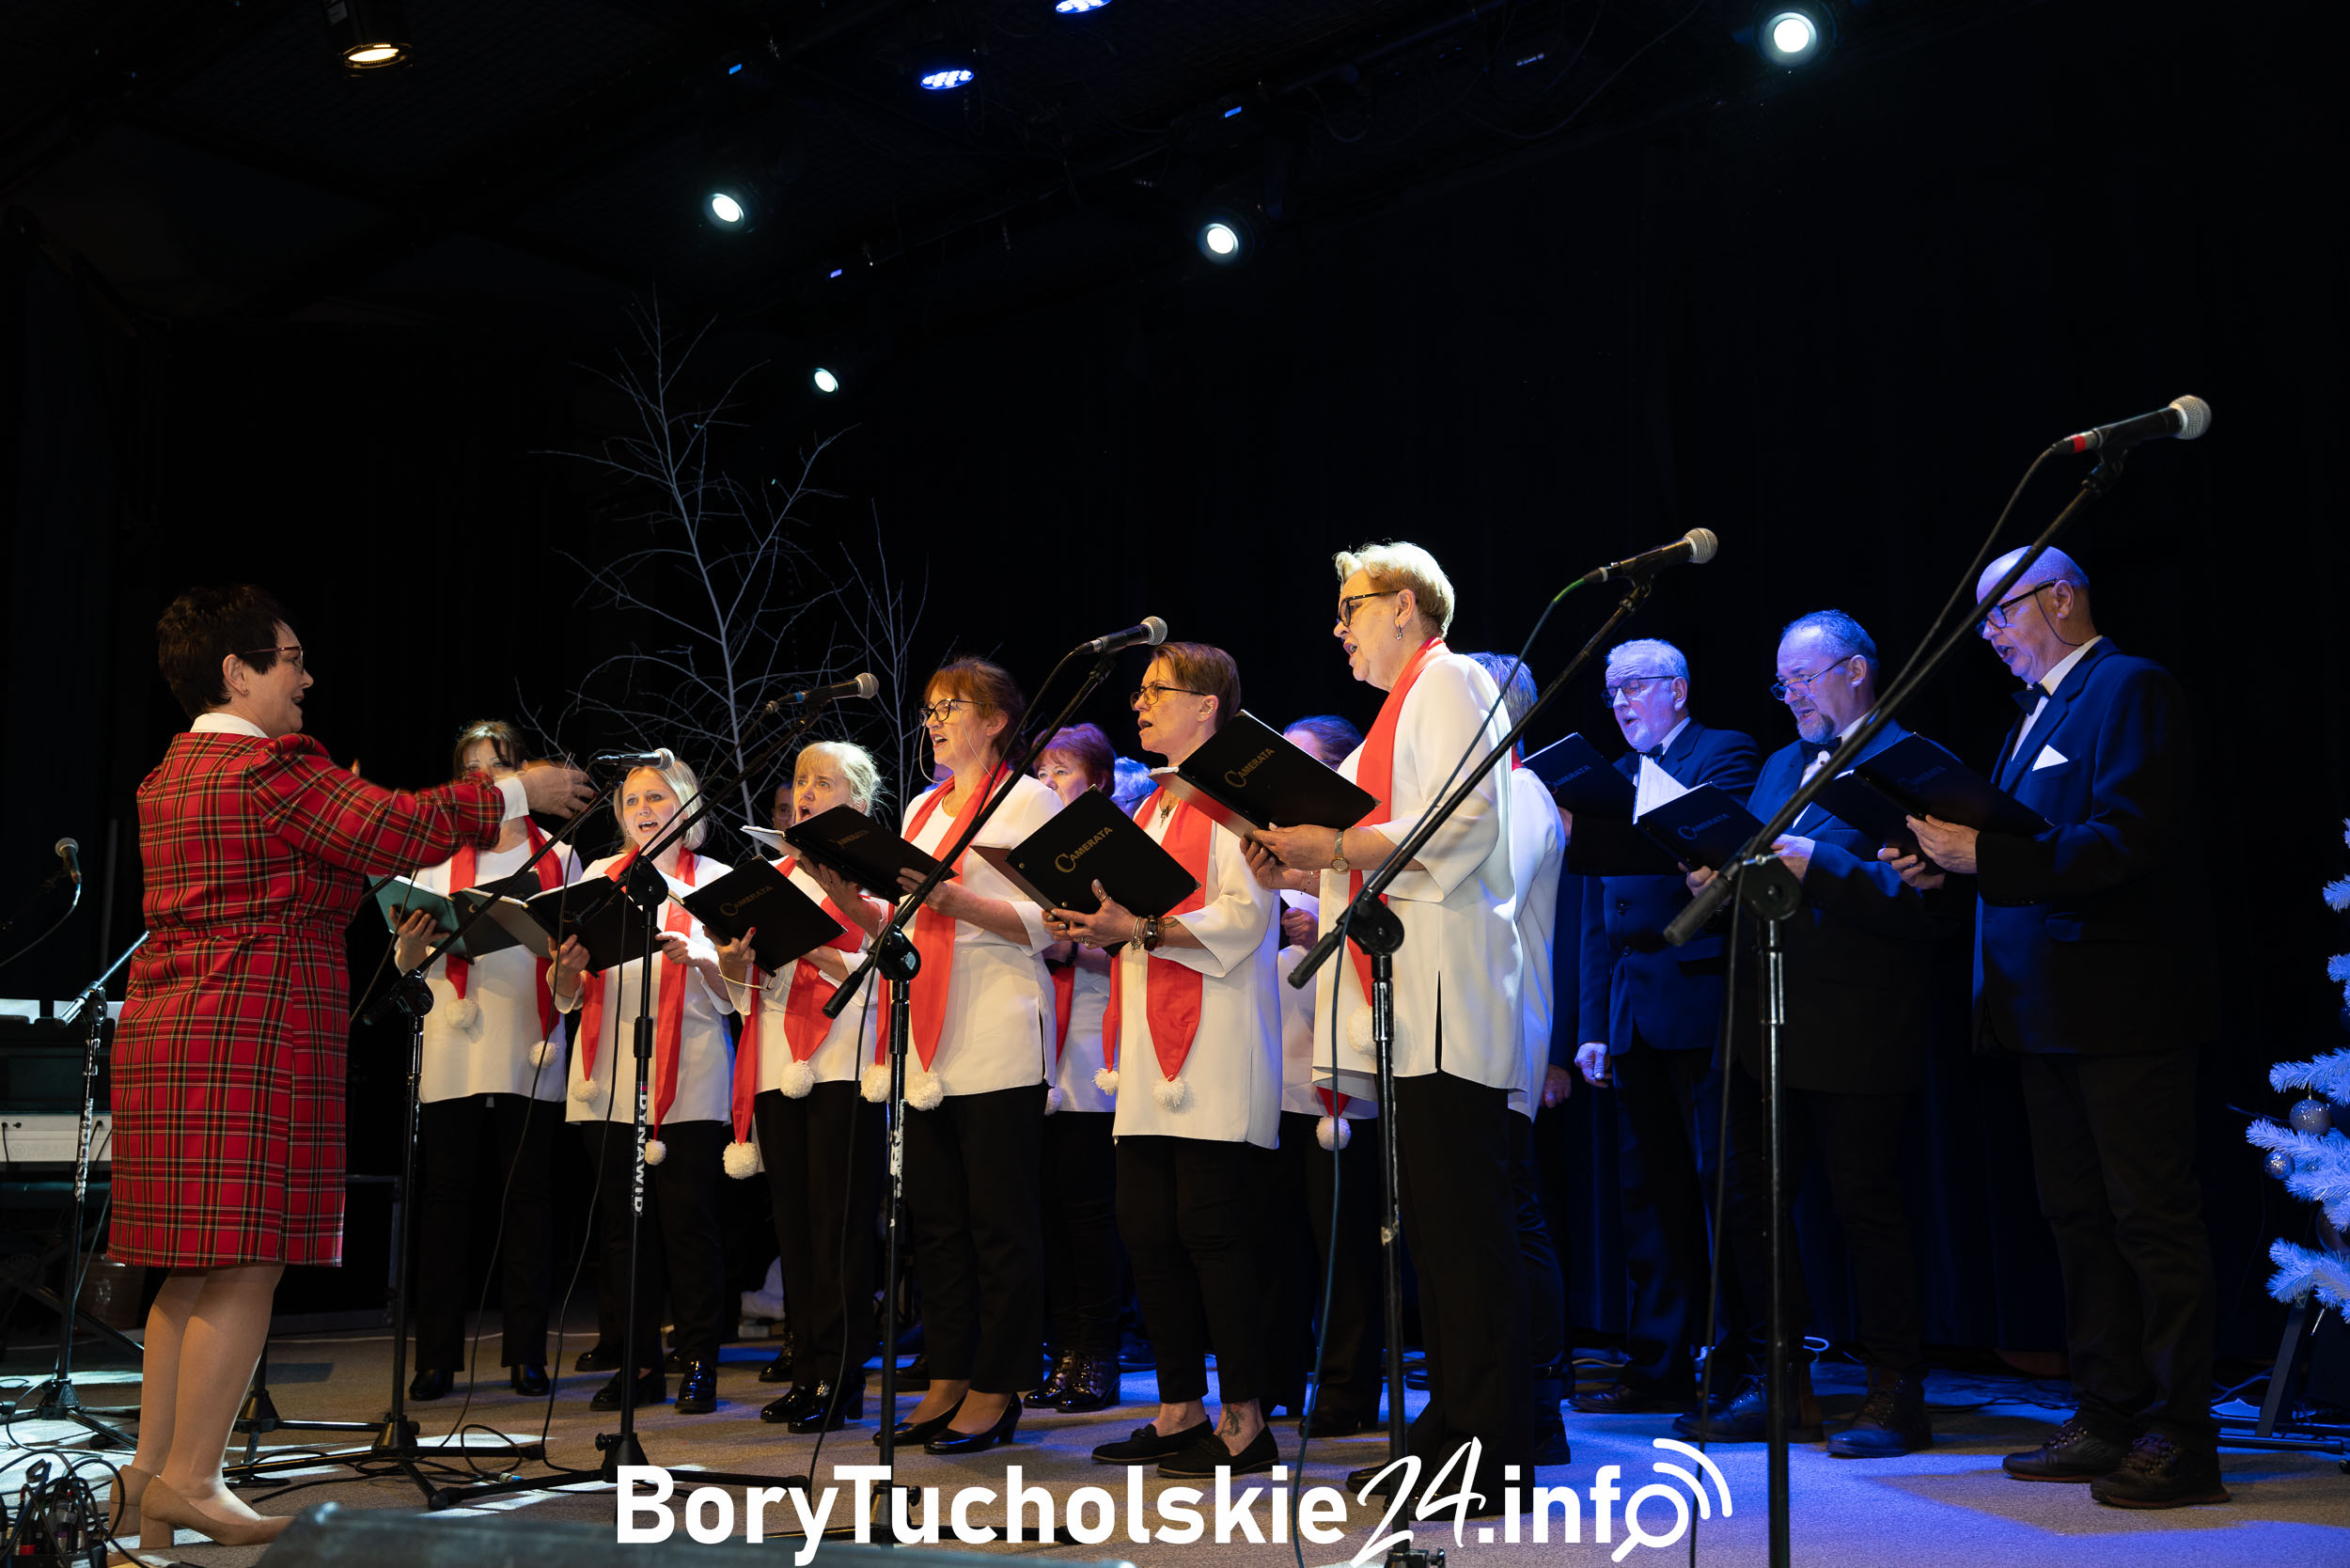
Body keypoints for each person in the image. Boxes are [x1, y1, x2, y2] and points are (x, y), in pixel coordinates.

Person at [114, 587, 590, 1550]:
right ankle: (194, 1478)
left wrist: (347, 835)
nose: (307, 675)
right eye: (289, 659)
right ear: (237, 671)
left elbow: (305, 870)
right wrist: (518, 792)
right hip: (251, 1026)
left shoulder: (172, 772)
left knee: (190, 1273)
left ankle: (150, 1479)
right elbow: (392, 831)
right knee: (247, 1265)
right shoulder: (267, 766)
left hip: (174, 1026)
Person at [1898, 548, 2224, 1507]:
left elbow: (2127, 840)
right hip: (2040, 1013)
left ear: (2062, 598)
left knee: (2148, 1222)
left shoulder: (2129, 688)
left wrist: (1983, 856)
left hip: (2121, 1007)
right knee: (2078, 1223)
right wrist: (1944, 865)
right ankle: (2107, 1409)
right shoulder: (2034, 712)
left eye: (2000, 616)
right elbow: (2026, 853)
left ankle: (2179, 1433)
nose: (1990, 638)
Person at [1248, 542, 1528, 1510]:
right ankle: (1448, 1432)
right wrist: (1302, 863)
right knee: (1434, 1241)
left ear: (1406, 605)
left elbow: (1461, 823)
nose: (1337, 627)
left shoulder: (1445, 681)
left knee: (1464, 1239)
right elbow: (1384, 836)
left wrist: (1332, 845)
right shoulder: (1397, 707)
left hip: (1446, 995)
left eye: (1351, 607)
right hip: (1410, 1002)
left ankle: (1489, 1455)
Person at [1678, 612, 1947, 1455]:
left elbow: (1924, 900)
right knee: (1752, 1202)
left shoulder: (1908, 763)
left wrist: (1817, 864)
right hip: (1764, 1022)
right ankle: (1780, 1381)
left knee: (1867, 1210)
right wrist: (1720, 871)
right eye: (1783, 682)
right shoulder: (1779, 765)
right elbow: (1761, 861)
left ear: (1858, 672)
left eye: (1805, 676)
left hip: (1859, 1021)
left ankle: (1895, 1392)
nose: (1791, 694)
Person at [1053, 645, 1282, 1479]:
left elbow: (1244, 921)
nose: (1140, 705)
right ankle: (1180, 1409)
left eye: (1159, 692)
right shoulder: (1149, 807)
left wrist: (1139, 931)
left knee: (1213, 1234)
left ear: (1208, 709)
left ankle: (1247, 1421)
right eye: (1140, 692)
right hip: (1146, 1049)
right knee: (1148, 1232)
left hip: (1215, 1044)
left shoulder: (1237, 799)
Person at [869, 658, 1063, 1454]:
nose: (936, 720)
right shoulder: (920, 807)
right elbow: (901, 913)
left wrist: (956, 899)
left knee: (1000, 1225)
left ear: (995, 719)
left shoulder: (1031, 799)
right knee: (938, 1223)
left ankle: (999, 1382)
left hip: (998, 1026)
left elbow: (1058, 918)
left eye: (953, 707)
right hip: (927, 1035)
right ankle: (948, 1371)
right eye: (929, 709)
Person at [1564, 637, 1760, 1417]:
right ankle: (1658, 1367)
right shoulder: (1611, 779)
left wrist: (1621, 807)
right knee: (1649, 1198)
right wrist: (1590, 1024)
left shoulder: (1724, 750)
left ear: (1677, 689)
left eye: (1636, 687)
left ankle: (1741, 1365)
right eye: (1612, 691)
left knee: (1724, 1190)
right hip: (1630, 1009)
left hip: (1701, 995)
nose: (1621, 702)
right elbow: (1592, 915)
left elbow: (1714, 843)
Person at [392, 719, 583, 1403]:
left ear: (521, 773)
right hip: (452, 1038)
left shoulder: (557, 854)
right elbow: (406, 964)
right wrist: (411, 945)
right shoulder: (434, 852)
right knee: (445, 1201)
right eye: (470, 770)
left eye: (496, 768)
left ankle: (527, 1354)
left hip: (529, 1040)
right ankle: (437, 1356)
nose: (483, 780)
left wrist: (570, 966)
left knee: (529, 1200)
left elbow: (575, 968)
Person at [716, 742, 891, 1433]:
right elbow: (744, 995)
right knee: (793, 1225)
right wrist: (735, 962)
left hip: (846, 1063)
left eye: (825, 781)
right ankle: (808, 1368)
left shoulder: (878, 876)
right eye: (800, 780)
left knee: (840, 1226)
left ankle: (843, 1376)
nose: (808, 791)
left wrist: (814, 946)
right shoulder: (772, 875)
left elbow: (892, 973)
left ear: (859, 800)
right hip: (773, 1060)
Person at [562, 757, 738, 1416]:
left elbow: (739, 998)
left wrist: (704, 960)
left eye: (657, 796)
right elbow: (568, 996)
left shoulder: (718, 882)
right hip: (609, 1074)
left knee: (690, 1227)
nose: (642, 807)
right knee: (621, 1230)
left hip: (691, 1073)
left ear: (687, 807)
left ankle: (698, 1363)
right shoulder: (596, 879)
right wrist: (563, 970)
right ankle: (638, 1365)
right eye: (632, 798)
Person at [1255, 714, 1383, 1436]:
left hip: (1341, 1082)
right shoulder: (1273, 855)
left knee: (1343, 1245)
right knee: (1277, 1242)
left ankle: (1346, 1387)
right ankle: (1277, 1376)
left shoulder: (1350, 854)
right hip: (1275, 1076)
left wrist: (1315, 926)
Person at [1467, 651, 1573, 1466]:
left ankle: (1538, 1408)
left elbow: (1487, 906)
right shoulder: (1487, 793)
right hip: (1476, 1031)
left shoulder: (1523, 791)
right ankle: (1512, 1403)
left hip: (1502, 1032)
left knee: (1513, 1215)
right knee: (1497, 1216)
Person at [1026, 723, 1127, 1414]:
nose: (1045, 781)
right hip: (1037, 1042)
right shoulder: (1025, 851)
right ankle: (1061, 1348)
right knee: (1050, 1212)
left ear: (1096, 782)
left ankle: (1098, 1353)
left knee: (1090, 1211)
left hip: (1095, 1042)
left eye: (1060, 770)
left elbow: (1139, 942)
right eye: (1040, 769)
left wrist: (1077, 943)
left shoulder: (1115, 847)